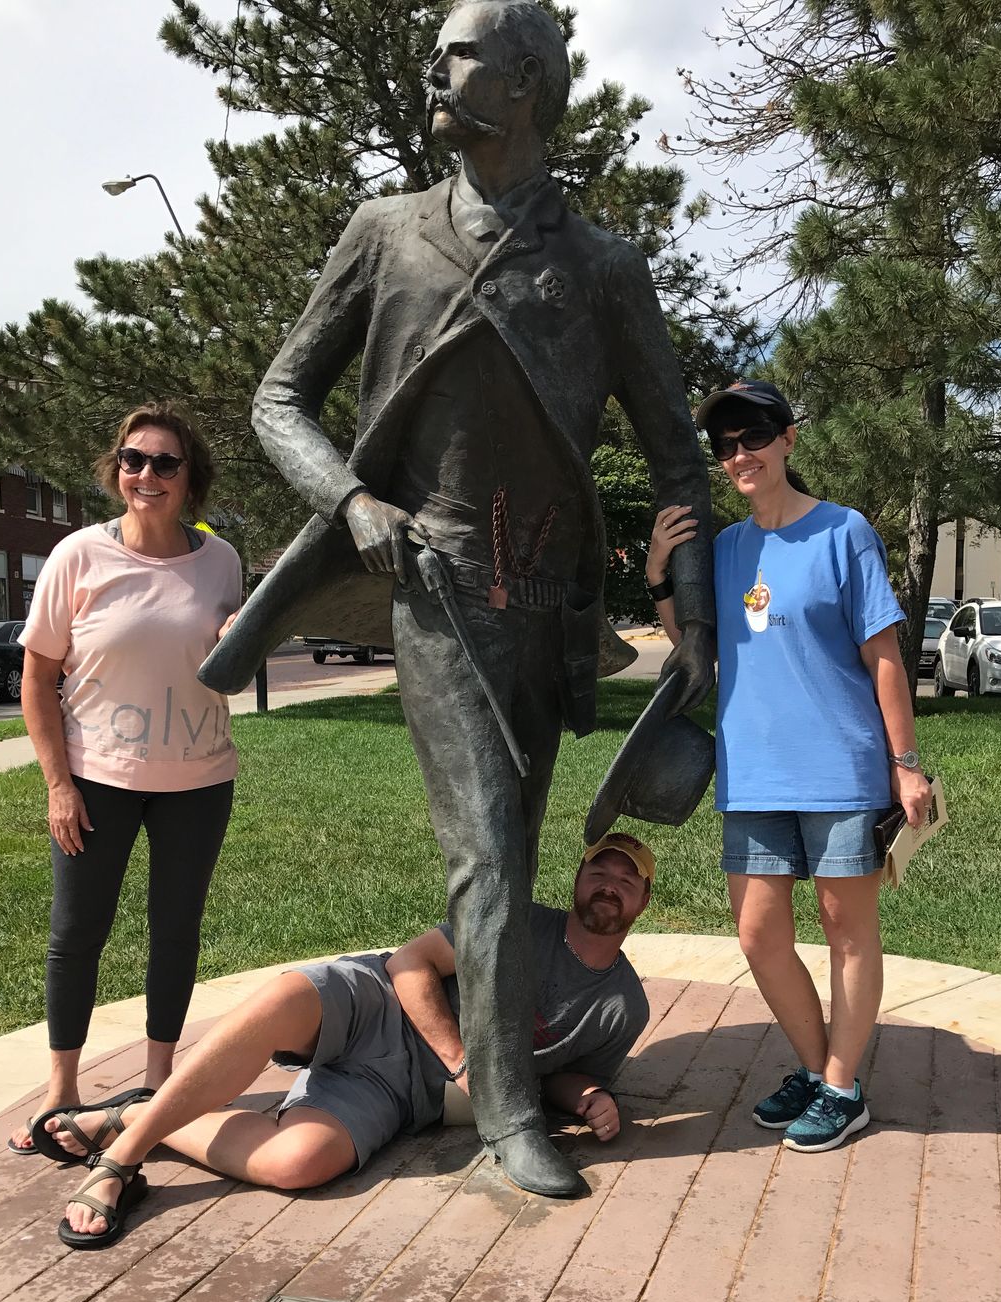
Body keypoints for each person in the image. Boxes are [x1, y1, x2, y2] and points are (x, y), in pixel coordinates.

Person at [196, 0, 715, 1200]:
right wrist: (352, 503)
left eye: (463, 50)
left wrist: (691, 620)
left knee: (513, 854)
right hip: (432, 588)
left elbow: (680, 462)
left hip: (549, 610)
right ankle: (507, 1112)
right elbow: (280, 399)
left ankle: (474, 1042)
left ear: (526, 79)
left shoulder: (602, 268)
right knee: (486, 852)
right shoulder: (385, 233)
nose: (436, 66)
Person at [34, 835, 655, 1248]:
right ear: (578, 880)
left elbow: (562, 1075)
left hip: (401, 1089)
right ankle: (123, 1160)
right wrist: (458, 1058)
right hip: (381, 1004)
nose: (610, 883)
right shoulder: (515, 921)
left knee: (297, 1162)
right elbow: (409, 963)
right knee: (282, 999)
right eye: (599, 870)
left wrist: (589, 1097)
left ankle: (135, 1114)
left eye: (627, 878)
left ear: (644, 901)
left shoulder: (623, 1005)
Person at [647, 379, 931, 1153]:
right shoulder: (725, 549)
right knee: (758, 934)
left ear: (788, 440)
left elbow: (884, 658)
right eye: (726, 444)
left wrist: (906, 764)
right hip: (753, 772)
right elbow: (693, 649)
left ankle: (842, 1087)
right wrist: (660, 574)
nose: (740, 454)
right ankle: (817, 1068)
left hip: (841, 766)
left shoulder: (844, 532)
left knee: (846, 929)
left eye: (754, 437)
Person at [8, 402, 243, 1157]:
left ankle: (157, 1085)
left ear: (190, 477)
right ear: (116, 471)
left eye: (165, 462)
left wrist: (236, 641)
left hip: (199, 781)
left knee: (175, 932)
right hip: (96, 781)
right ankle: (61, 1091)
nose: (147, 474)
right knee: (77, 934)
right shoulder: (77, 555)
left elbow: (229, 675)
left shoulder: (222, 561)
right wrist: (58, 785)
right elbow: (37, 679)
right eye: (133, 460)